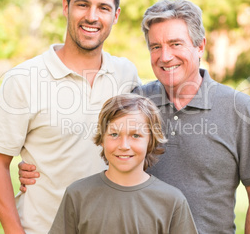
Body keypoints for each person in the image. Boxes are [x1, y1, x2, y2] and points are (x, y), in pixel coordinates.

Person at [19, 0, 250, 233]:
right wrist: (38, 165)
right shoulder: (137, 102)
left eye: (176, 44)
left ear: (200, 46)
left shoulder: (237, 108)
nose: (165, 56)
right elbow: (100, 144)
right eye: (155, 46)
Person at [0, 0, 140, 233]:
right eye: (82, 4)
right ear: (66, 7)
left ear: (116, 16)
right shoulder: (23, 79)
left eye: (103, 7)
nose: (92, 16)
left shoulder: (127, 75)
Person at [48, 94, 198, 233]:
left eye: (135, 135)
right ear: (102, 138)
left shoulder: (172, 201)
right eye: (114, 134)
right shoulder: (77, 195)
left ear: (150, 140)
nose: (124, 145)